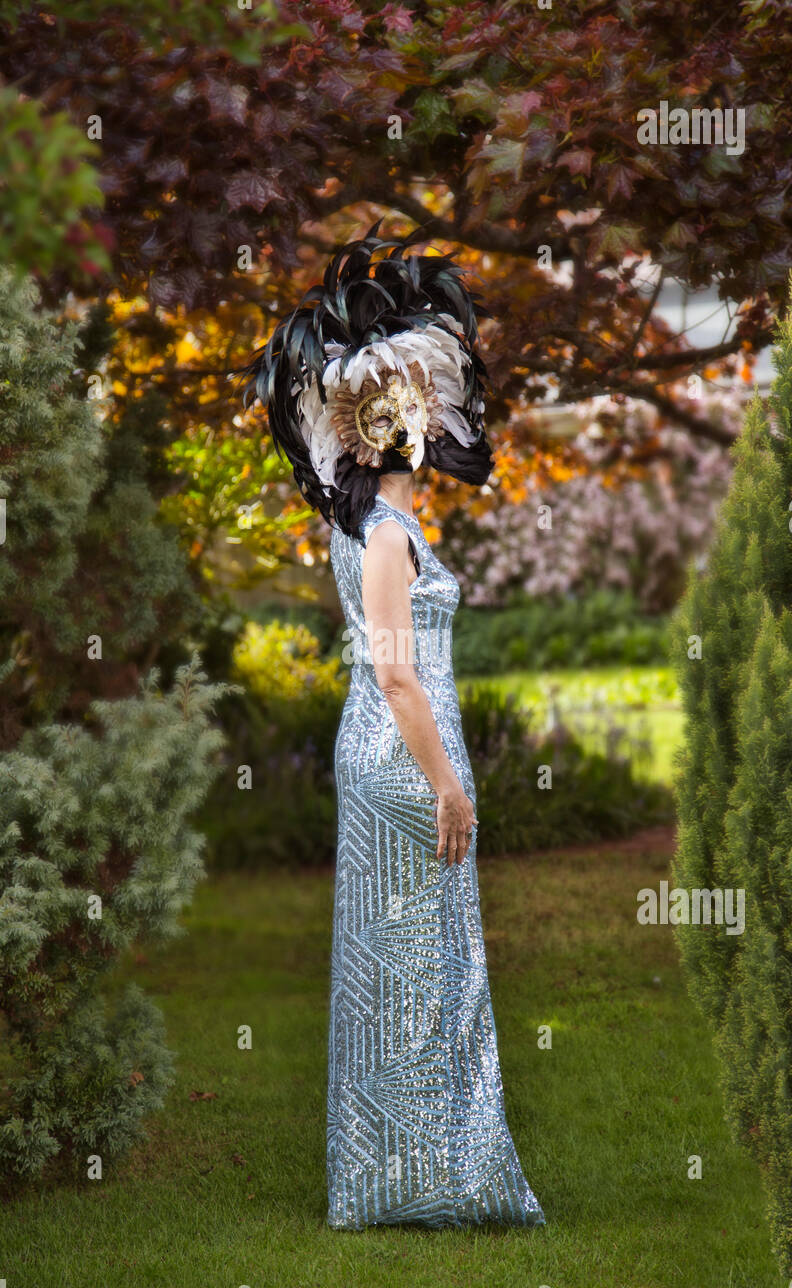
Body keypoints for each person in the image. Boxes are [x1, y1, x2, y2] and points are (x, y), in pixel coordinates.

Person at [239, 224, 545, 1230]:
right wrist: (451, 784)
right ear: (407, 425)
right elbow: (398, 676)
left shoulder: (381, 526)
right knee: (421, 977)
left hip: (393, 757)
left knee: (417, 972)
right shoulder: (379, 533)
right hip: (402, 758)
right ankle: (422, 1178)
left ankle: (412, 1176)